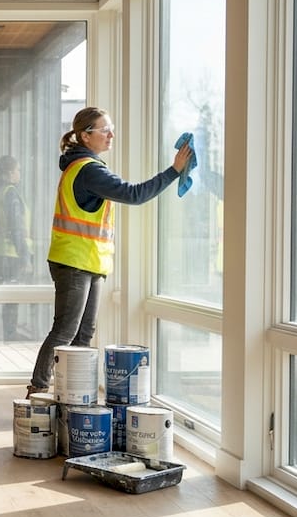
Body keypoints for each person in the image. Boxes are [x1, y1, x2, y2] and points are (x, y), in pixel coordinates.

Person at [29, 107, 192, 394]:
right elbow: (134, 194)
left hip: (90, 261)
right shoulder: (88, 170)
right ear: (85, 136)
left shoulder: (84, 166)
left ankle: (73, 393)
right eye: (105, 130)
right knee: (66, 331)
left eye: (111, 128)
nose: (111, 134)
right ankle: (38, 392)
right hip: (74, 261)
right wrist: (174, 171)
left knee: (84, 334)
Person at [0, 155, 32, 341]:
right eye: (18, 170)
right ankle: (10, 336)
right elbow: (16, 228)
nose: (20, 173)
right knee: (12, 295)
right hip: (11, 253)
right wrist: (25, 257)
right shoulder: (11, 193)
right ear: (11, 172)